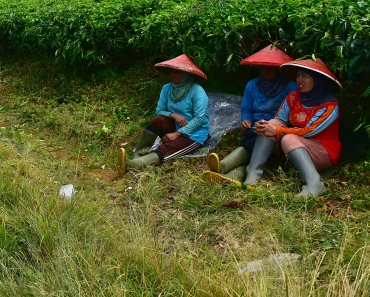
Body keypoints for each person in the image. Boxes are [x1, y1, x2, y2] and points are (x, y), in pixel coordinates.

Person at [242, 58, 342, 197]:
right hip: (296, 148)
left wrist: (278, 131)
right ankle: (253, 172)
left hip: (322, 151)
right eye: (298, 76)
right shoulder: (293, 96)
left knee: (287, 138)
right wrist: (268, 126)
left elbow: (309, 131)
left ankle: (315, 184)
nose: (299, 80)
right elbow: (280, 119)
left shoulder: (330, 105)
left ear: (317, 79)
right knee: (270, 124)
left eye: (304, 76)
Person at [203, 45, 298, 185]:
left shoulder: (290, 87)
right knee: (254, 140)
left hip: (275, 132)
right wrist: (246, 120)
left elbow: (292, 116)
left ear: (278, 68)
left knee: (257, 140)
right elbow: (246, 108)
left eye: (270, 67)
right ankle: (231, 175)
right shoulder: (252, 85)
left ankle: (224, 166)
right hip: (254, 129)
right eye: (262, 67)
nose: (266, 70)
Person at [118, 54, 210, 173]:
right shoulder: (167, 88)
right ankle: (138, 154)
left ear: (186, 74)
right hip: (174, 126)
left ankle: (132, 165)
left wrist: (177, 134)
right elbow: (160, 110)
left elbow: (199, 119)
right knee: (159, 119)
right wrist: (174, 115)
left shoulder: (197, 91)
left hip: (194, 133)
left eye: (177, 72)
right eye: (172, 71)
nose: (173, 74)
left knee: (166, 148)